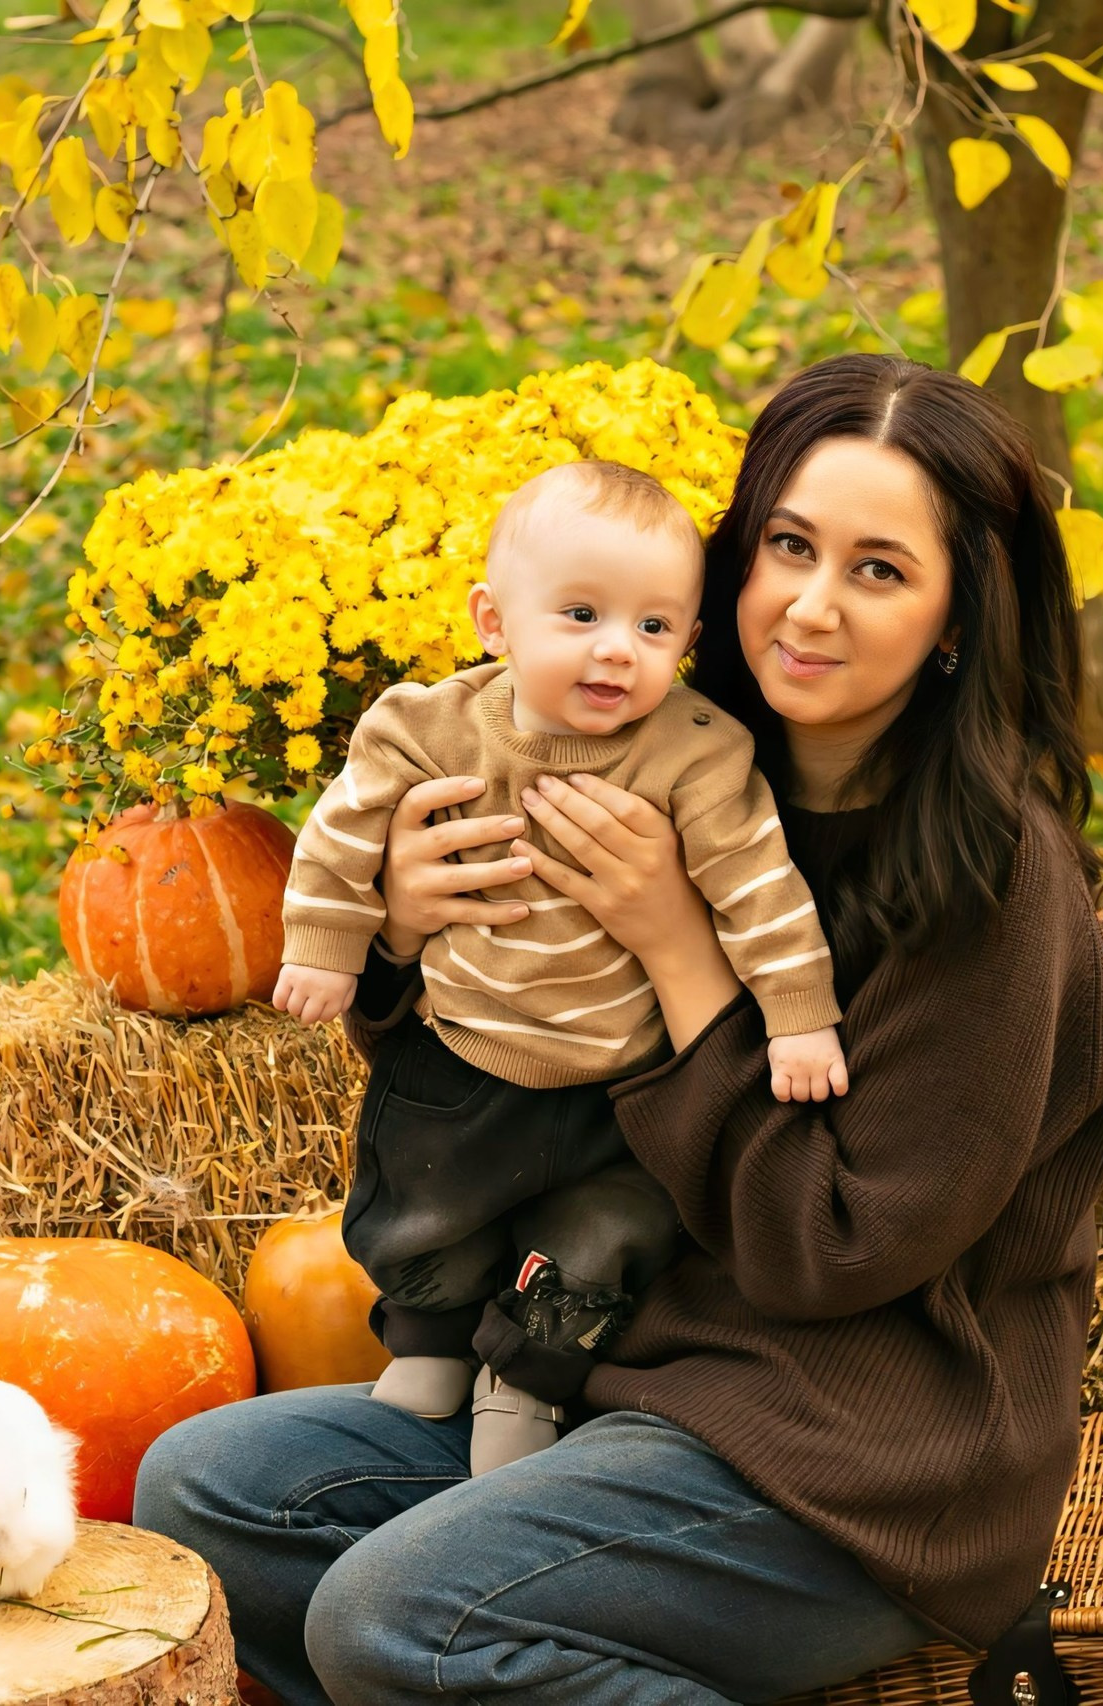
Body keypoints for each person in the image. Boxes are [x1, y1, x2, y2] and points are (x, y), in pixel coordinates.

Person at [136, 352, 1103, 1706]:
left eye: (879, 569)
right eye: (789, 544)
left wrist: (680, 949)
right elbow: (524, 1072)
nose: (811, 604)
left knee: (399, 1616)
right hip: (619, 1362)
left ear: (959, 616)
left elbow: (832, 1249)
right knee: (208, 1492)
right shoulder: (671, 752)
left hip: (863, 1459)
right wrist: (404, 943)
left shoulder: (994, 882)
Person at [270, 457, 848, 1475]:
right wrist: (331, 944)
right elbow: (340, 833)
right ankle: (430, 1336)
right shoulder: (426, 725)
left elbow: (758, 884)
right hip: (462, 1051)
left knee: (595, 1246)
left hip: (618, 1082)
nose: (618, 651)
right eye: (580, 614)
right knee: (419, 1219)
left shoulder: (698, 755)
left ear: (689, 642)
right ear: (494, 620)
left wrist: (798, 1014)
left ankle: (523, 1386)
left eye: (654, 628)